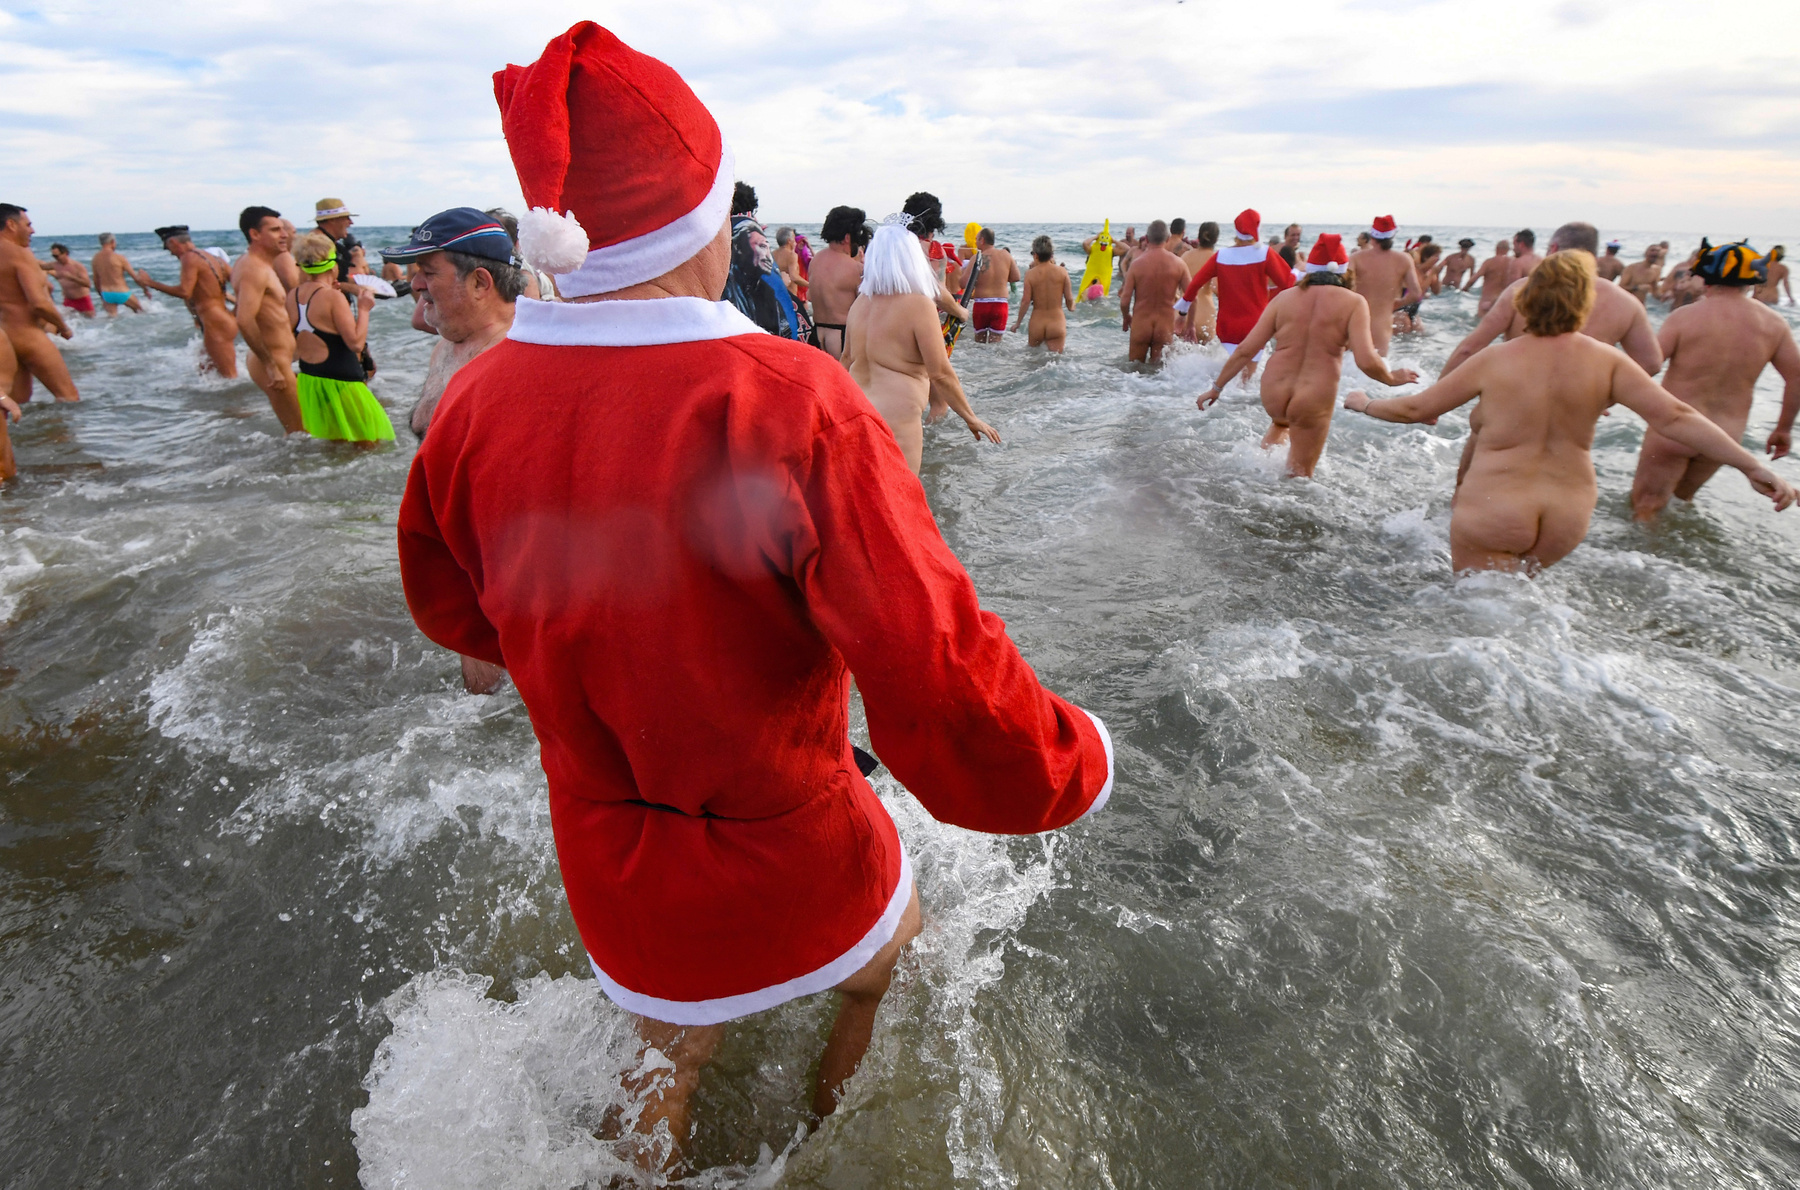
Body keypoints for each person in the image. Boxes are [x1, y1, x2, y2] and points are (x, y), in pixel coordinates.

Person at [406, 25, 1111, 1168]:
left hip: (607, 843)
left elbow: (457, 610)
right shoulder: (791, 399)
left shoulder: (478, 403)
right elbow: (926, 657)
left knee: (662, 1049)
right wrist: (1070, 757)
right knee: (891, 967)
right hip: (788, 837)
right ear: (704, 227)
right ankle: (821, 1150)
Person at [1345, 252, 1793, 572]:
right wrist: (1751, 466)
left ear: (1525, 300)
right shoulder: (1609, 361)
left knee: (1476, 624)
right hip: (1568, 517)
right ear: (1586, 303)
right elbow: (1676, 417)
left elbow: (1417, 407)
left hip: (1497, 507)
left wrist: (1366, 402)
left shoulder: (1496, 360)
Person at [380, 208, 522, 693]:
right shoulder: (454, 337)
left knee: (495, 695)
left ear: (481, 283)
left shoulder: (515, 357)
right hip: (454, 557)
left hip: (492, 571)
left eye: (427, 271)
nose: (414, 284)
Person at [1196, 234, 1418, 478]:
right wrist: (1391, 378)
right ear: (1345, 272)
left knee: (1280, 425)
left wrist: (1216, 388)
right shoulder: (1354, 302)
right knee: (1299, 477)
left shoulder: (1284, 298)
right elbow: (1366, 360)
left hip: (1274, 391)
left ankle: (1253, 479)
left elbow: (1245, 350)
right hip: (1313, 394)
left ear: (1310, 269)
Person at [1628, 240, 1800, 520]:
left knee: (1646, 506)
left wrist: (1603, 395)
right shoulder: (1774, 324)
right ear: (1752, 279)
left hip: (1676, 429)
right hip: (1723, 438)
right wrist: (1784, 429)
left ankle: (1640, 561)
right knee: (1679, 505)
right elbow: (1797, 377)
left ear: (1706, 278)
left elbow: (1649, 366)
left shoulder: (1685, 317)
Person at [843, 220, 1001, 471]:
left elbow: (846, 361)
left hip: (855, 412)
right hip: (897, 420)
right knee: (902, 499)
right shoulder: (918, 304)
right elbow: (940, 372)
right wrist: (970, 417)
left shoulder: (861, 303)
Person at [285, 231, 394, 444]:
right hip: (342, 381)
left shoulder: (293, 295)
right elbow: (355, 343)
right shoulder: (332, 296)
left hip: (311, 381)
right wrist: (363, 309)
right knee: (371, 444)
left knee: (336, 444)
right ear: (333, 264)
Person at [1176, 209, 1294, 369]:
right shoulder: (1265, 254)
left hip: (1227, 328)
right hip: (1255, 325)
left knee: (1228, 373)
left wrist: (1183, 313)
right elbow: (1288, 284)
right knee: (1247, 380)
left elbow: (1195, 284)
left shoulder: (1221, 255)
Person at [232, 207, 306, 434]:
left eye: (283, 229)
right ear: (255, 234)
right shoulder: (254, 269)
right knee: (301, 433)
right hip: (272, 362)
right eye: (275, 230)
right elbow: (244, 320)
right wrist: (271, 366)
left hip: (277, 359)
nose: (284, 234)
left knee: (302, 434)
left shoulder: (261, 265)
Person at [134, 226, 240, 377]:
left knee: (229, 377)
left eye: (168, 248)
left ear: (173, 242)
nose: (170, 253)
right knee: (205, 369)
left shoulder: (189, 258)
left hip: (215, 322)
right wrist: (234, 312)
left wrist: (150, 283)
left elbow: (185, 291)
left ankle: (241, 399)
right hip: (222, 319)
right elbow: (240, 285)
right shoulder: (216, 259)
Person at [0, 204, 79, 403]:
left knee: (15, 401)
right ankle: (63, 435)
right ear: (11, 224)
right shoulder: (20, 253)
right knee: (69, 397)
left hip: (4, 336)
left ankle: (30, 436)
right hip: (27, 335)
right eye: (28, 224)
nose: (32, 230)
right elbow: (38, 304)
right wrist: (63, 327)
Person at [1347, 215, 1423, 355]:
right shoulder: (1403, 259)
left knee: (1350, 364)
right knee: (1379, 365)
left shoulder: (1356, 258)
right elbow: (1416, 294)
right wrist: (1397, 304)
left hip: (1356, 319)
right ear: (1393, 236)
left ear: (1372, 236)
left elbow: (1344, 287)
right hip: (1382, 323)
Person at [1118, 220, 1188, 366]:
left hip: (1141, 325)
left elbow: (1124, 300)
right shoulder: (1179, 264)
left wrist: (1126, 317)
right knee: (1158, 376)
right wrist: (1183, 317)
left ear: (1147, 239)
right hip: (1165, 325)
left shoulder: (1136, 265)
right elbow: (1190, 296)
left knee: (1134, 372)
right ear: (1167, 239)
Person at [806, 205, 869, 361]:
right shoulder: (855, 268)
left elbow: (811, 296)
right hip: (841, 336)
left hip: (817, 333)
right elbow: (866, 308)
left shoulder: (816, 260)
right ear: (848, 237)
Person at [901, 191, 970, 321]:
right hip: (917, 319)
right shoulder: (934, 250)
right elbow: (938, 293)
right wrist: (961, 312)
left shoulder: (887, 246)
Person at [1013, 234, 1073, 352]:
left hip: (1037, 324)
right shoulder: (1062, 272)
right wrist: (1072, 307)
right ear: (1052, 254)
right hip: (1057, 323)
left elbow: (1025, 301)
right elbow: (1069, 299)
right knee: (1055, 361)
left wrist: (1018, 323)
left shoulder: (1030, 274)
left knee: (1033, 362)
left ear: (1035, 255)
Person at [964, 228, 1020, 343]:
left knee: (979, 343)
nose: (975, 242)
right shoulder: (1005, 255)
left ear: (982, 240)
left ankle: (980, 361)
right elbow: (1016, 277)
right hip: (1000, 305)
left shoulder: (977, 258)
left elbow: (963, 283)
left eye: (976, 239)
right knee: (996, 344)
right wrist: (1001, 278)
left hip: (981, 305)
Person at [1177, 221, 1220, 343]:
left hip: (1182, 315)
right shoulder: (1215, 258)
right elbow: (1217, 289)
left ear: (1199, 236)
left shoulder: (1185, 256)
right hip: (1204, 317)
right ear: (1216, 239)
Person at [90, 233, 145, 316]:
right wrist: (145, 290)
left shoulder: (95, 258)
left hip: (106, 294)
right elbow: (135, 277)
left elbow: (96, 280)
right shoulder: (119, 257)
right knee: (141, 312)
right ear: (112, 242)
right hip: (121, 292)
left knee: (112, 320)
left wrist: (101, 296)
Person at [1462, 240, 1513, 315]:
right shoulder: (1513, 263)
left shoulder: (1489, 262)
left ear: (1496, 248)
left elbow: (1474, 279)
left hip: (1487, 302)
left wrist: (1465, 289)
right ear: (1508, 250)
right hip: (1504, 302)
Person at [47, 244, 94, 318]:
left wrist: (72, 277)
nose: (56, 258)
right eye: (53, 256)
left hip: (82, 300)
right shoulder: (55, 265)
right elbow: (39, 266)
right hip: (68, 300)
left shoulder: (77, 266)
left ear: (65, 253)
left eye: (57, 256)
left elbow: (88, 284)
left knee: (91, 322)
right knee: (66, 322)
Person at [772, 227, 806, 303]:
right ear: (789, 241)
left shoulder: (772, 254)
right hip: (790, 297)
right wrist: (810, 285)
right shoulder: (792, 255)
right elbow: (794, 277)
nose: (795, 241)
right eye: (794, 238)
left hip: (776, 296)